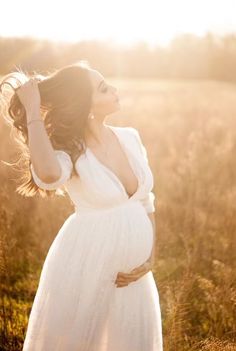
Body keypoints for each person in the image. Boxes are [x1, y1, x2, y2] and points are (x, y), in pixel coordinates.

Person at [0, 60, 163, 350]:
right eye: (103, 89)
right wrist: (34, 113)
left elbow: (146, 202)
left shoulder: (130, 137)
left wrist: (150, 258)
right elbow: (49, 175)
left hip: (134, 279)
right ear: (85, 105)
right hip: (89, 263)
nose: (113, 89)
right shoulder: (69, 151)